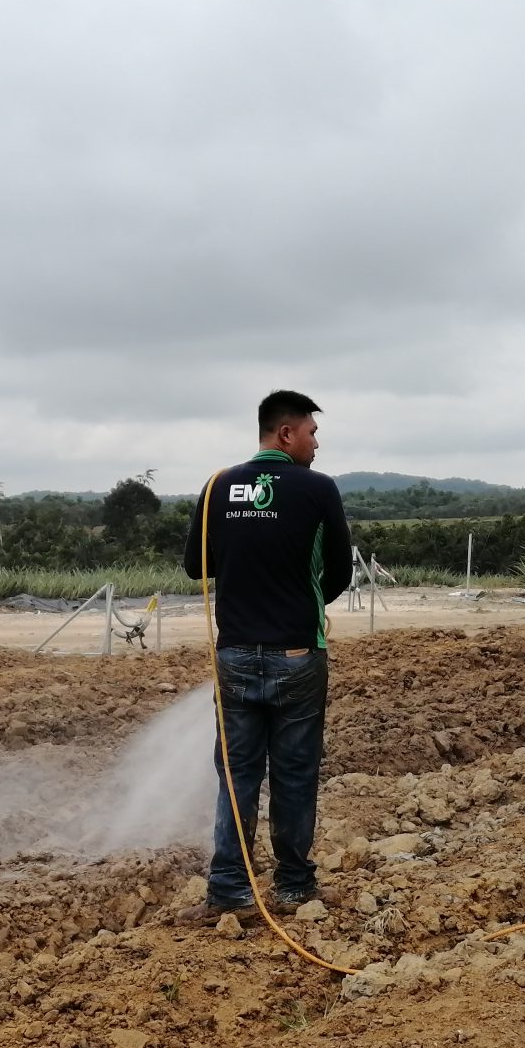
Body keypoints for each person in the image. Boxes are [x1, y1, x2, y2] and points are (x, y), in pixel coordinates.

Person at [181, 390, 355, 918]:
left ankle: (229, 890)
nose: (317, 443)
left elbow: (196, 567)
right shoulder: (318, 489)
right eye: (311, 432)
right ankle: (294, 887)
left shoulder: (217, 487)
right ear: (286, 433)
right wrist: (306, 599)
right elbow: (341, 572)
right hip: (299, 656)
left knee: (236, 777)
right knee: (295, 774)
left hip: (233, 656)